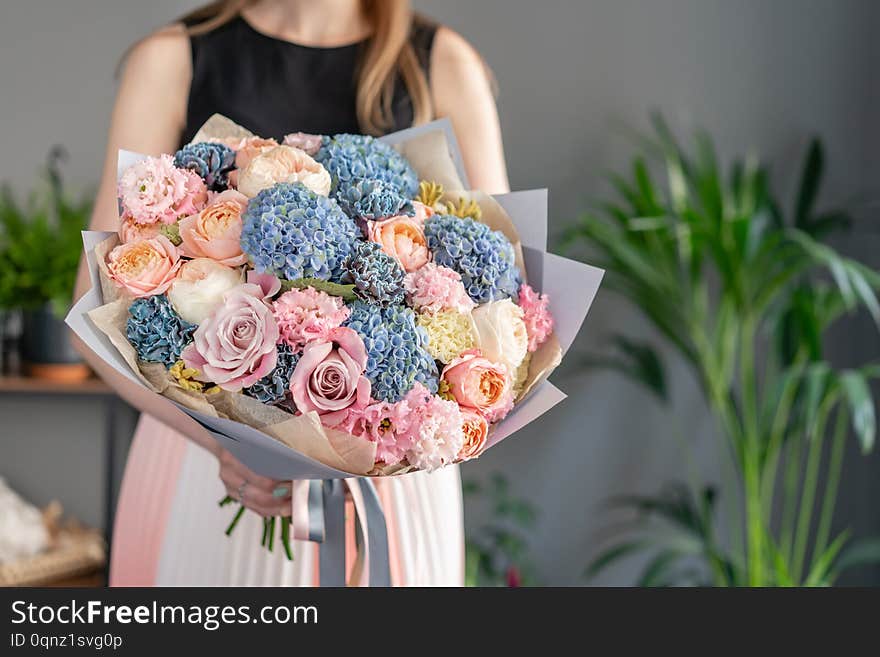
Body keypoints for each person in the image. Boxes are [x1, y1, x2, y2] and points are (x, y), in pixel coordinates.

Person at [74, 0, 509, 586]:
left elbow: (502, 299)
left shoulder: (442, 63)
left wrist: (395, 436)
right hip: (209, 468)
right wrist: (223, 448)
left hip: (389, 487)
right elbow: (93, 313)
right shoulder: (172, 60)